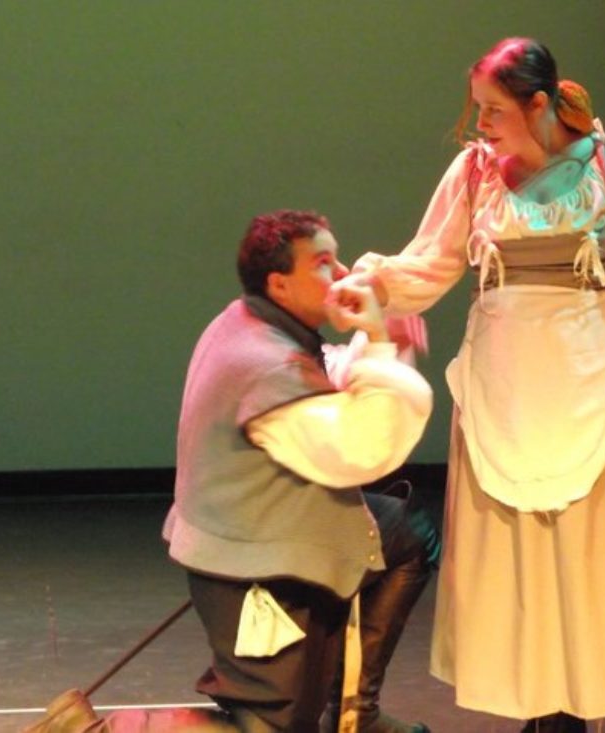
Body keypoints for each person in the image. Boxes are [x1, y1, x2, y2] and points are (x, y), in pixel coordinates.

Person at [334, 38, 605, 733]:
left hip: (599, 377)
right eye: (477, 109)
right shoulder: (474, 173)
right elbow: (428, 263)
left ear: (538, 105)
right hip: (508, 386)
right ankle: (547, 705)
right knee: (527, 552)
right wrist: (368, 285)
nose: (480, 124)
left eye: (494, 110)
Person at [161, 210, 439, 733]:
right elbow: (362, 448)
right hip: (253, 566)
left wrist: (379, 343)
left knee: (408, 533)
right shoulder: (266, 363)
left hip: (256, 532)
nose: (342, 273)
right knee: (275, 723)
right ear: (279, 283)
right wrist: (377, 339)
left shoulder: (248, 320)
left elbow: (321, 379)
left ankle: (356, 714)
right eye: (323, 263)